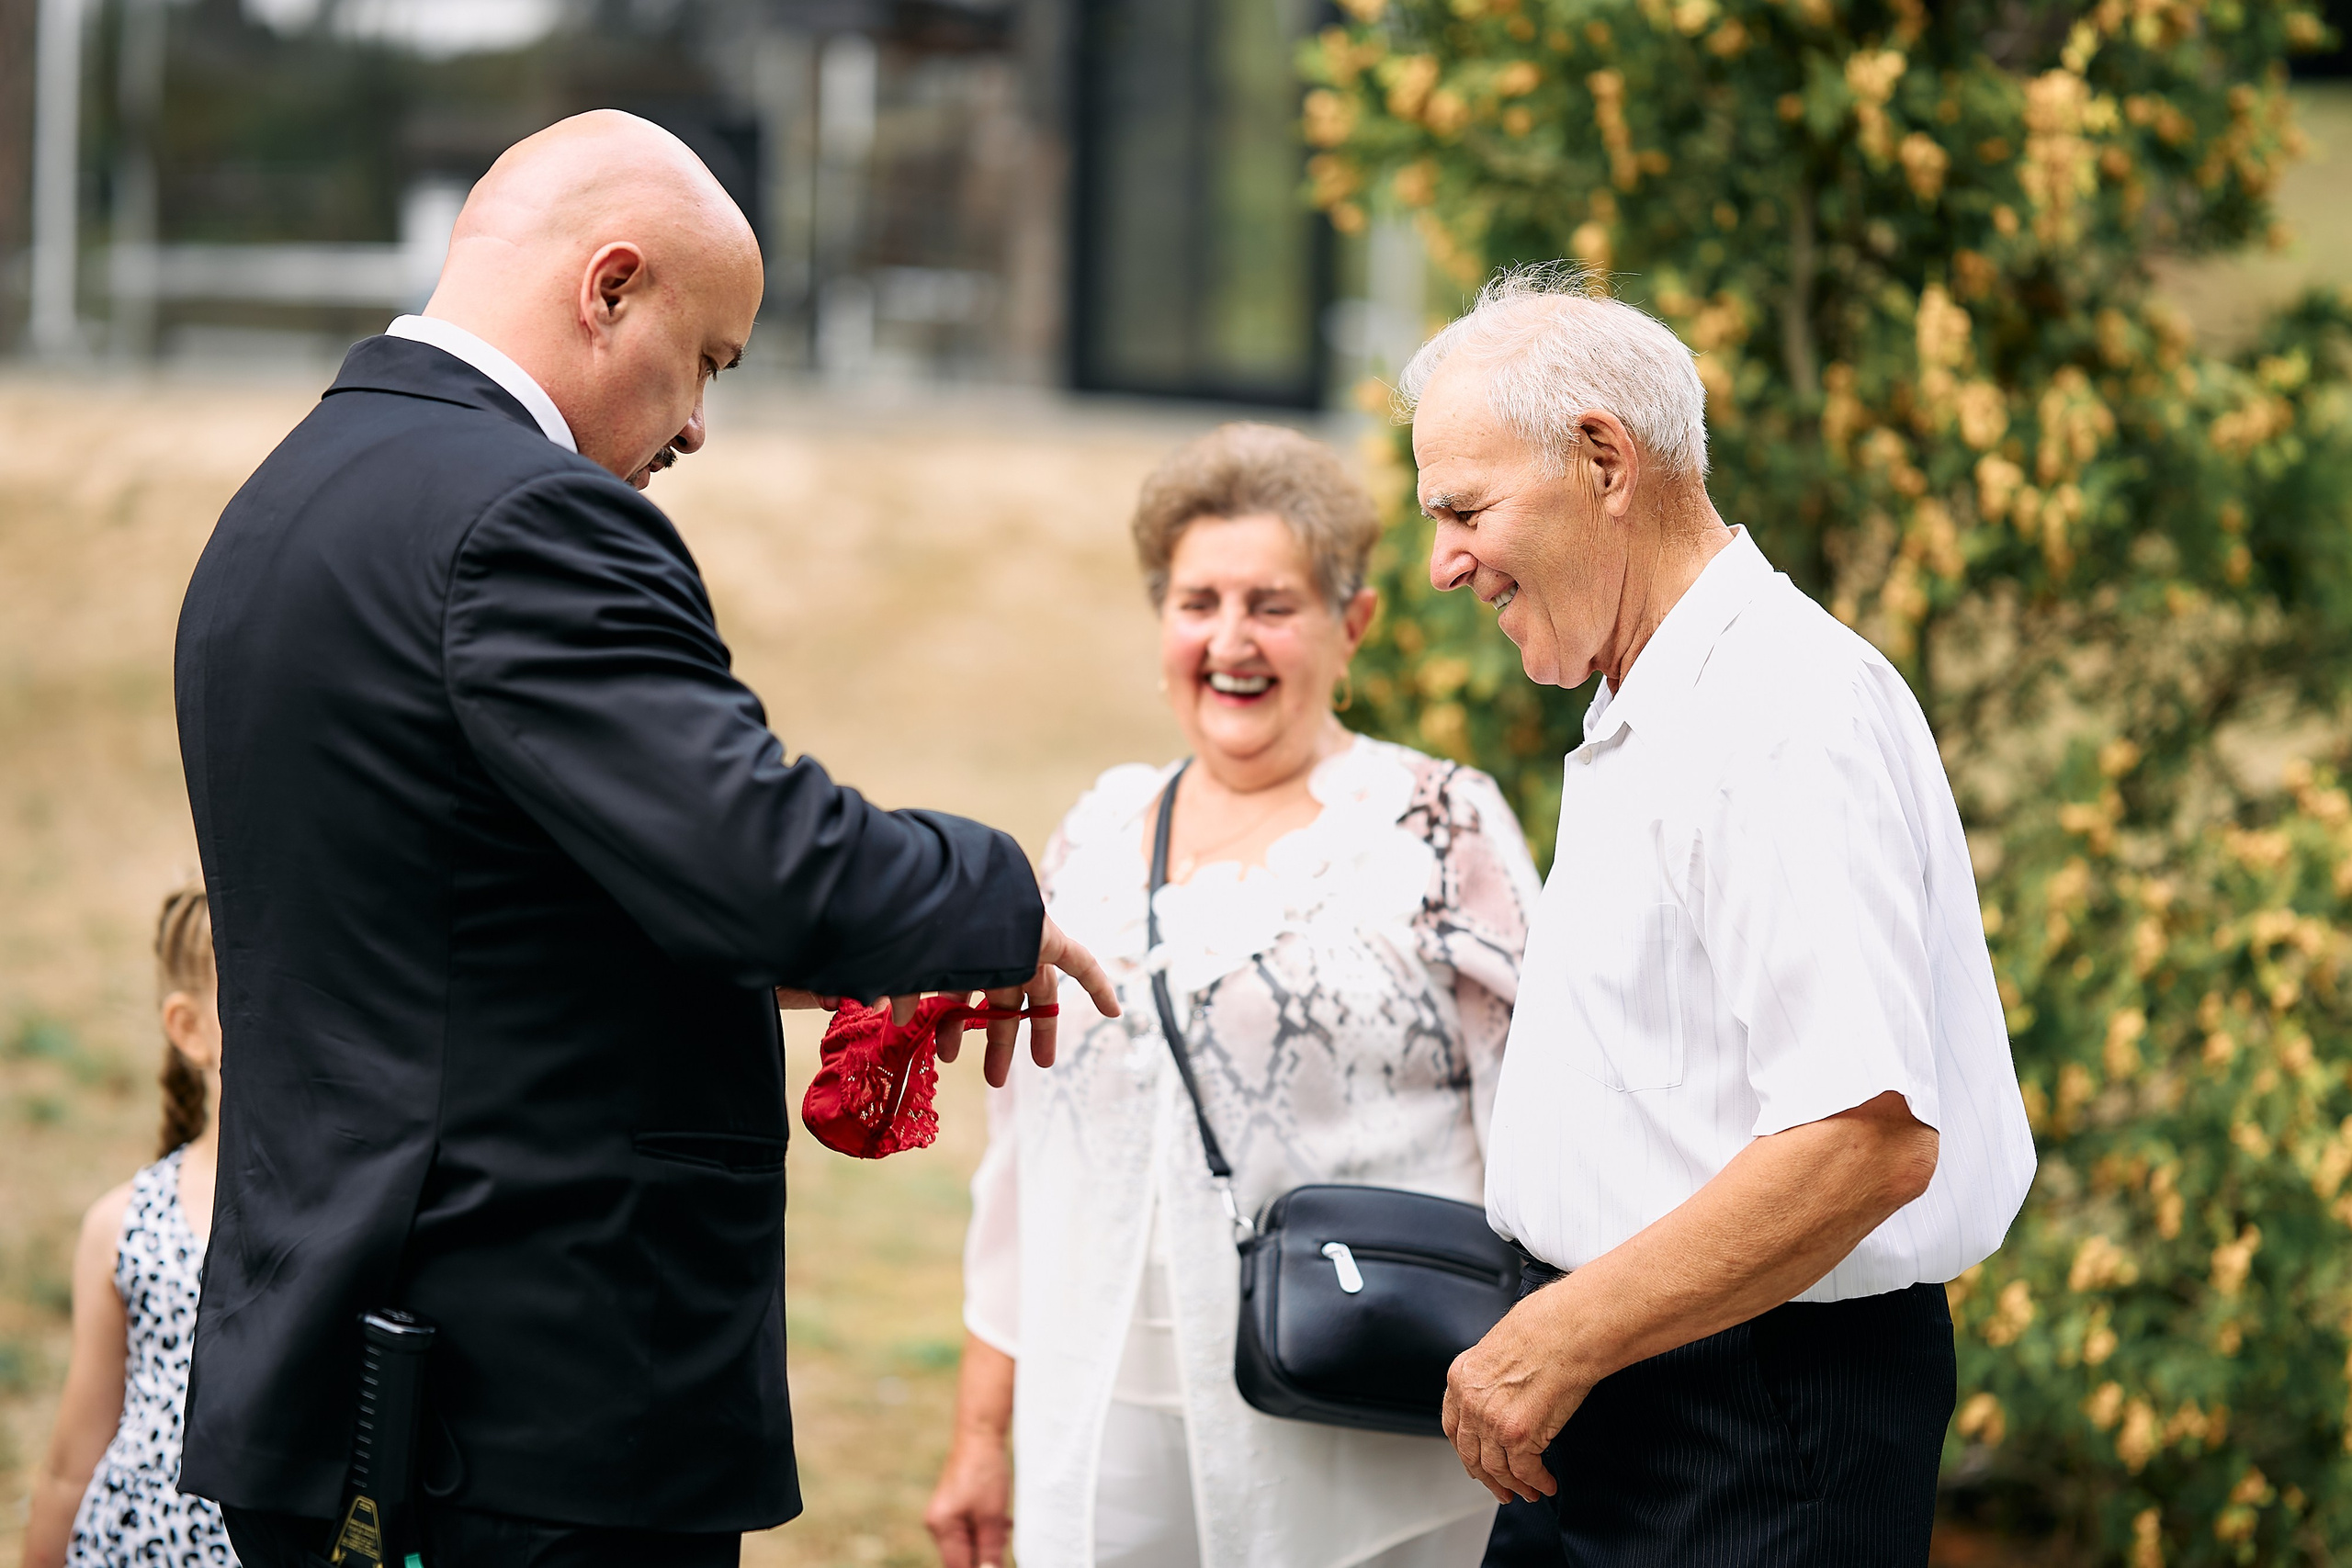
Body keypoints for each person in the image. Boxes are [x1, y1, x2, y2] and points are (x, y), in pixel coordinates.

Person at [173, 110, 1114, 1568]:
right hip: (522, 1402)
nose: (695, 428)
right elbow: (760, 858)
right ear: (611, 287)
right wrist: (994, 895)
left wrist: (839, 965)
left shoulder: (284, 497)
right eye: (711, 360)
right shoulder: (525, 516)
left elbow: (465, 911)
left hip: (331, 1364)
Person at [1404, 265, 2037, 1564]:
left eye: (1465, 509)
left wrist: (1559, 1335)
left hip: (1749, 1427)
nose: (1443, 563)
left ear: (1604, 462)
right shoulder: (1669, 695)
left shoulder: (1776, 713)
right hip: (1631, 1392)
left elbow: (1863, 1139)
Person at [924, 423, 1544, 1568]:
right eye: (1197, 603)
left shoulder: (1439, 822)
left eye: (1272, 605)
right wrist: (978, 1434)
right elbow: (1019, 1161)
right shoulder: (1095, 834)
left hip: (1359, 1413)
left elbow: (1542, 1129)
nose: (1229, 640)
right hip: (1101, 1417)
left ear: (1351, 625)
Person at [25, 886, 239, 1568]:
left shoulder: (349, 1218)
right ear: (190, 1028)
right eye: (253, 999)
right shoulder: (126, 1226)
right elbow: (69, 1470)